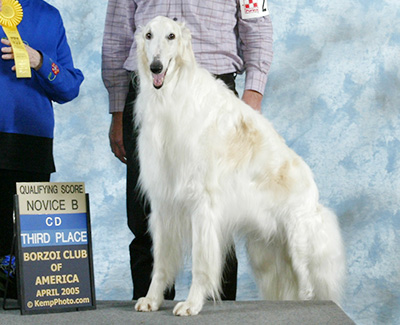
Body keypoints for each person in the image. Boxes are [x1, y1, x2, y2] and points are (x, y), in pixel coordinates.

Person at [102, 0, 273, 300]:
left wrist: (253, 94)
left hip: (213, 97)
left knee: (215, 212)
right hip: (149, 95)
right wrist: (118, 110)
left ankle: (213, 311)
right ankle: (151, 306)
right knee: (145, 215)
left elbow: (256, 24)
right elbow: (117, 35)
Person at [0, 0, 84, 290]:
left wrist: (39, 60)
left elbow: (69, 87)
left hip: (31, 141)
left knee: (23, 247)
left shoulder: (50, 16)